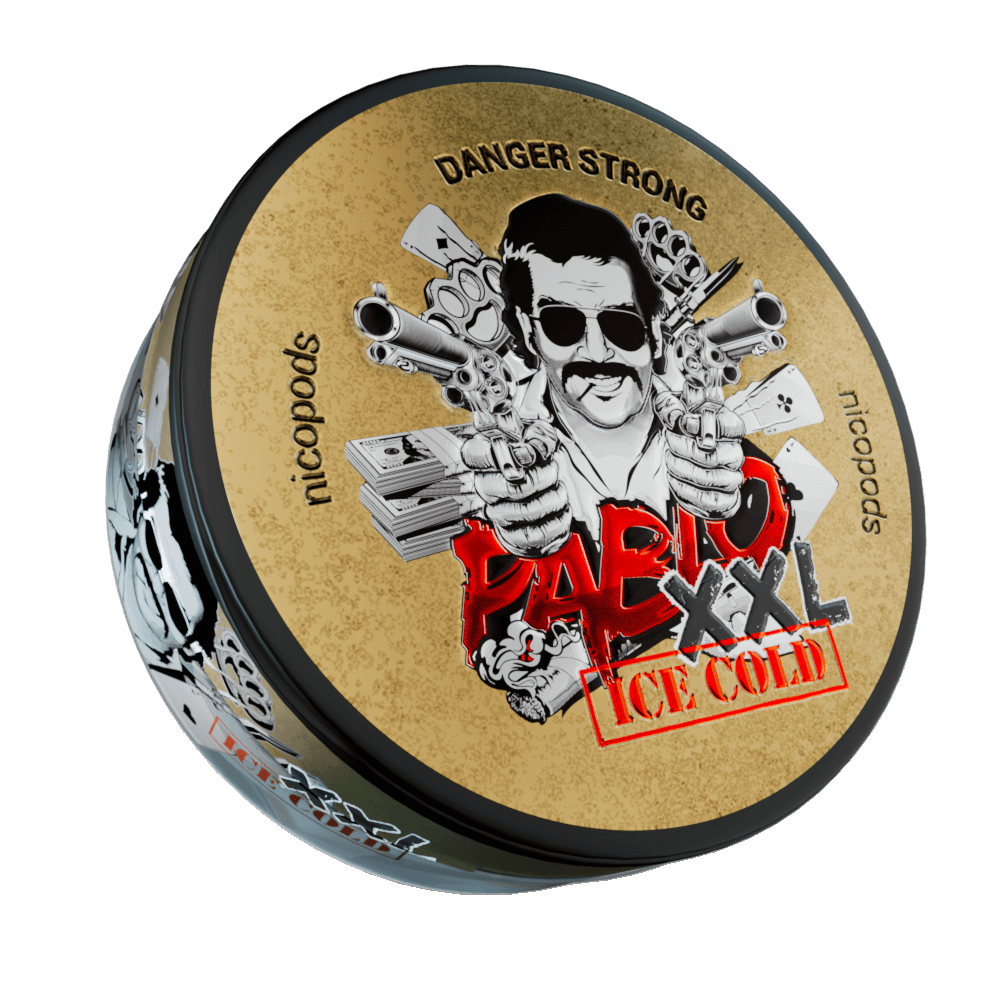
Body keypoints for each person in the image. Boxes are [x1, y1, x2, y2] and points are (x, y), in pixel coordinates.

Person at [455, 194, 782, 722]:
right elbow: (492, 612)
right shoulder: (495, 465)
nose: (598, 352)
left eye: (622, 325)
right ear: (527, 330)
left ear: (654, 331)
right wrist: (499, 644)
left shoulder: (718, 446)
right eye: (562, 324)